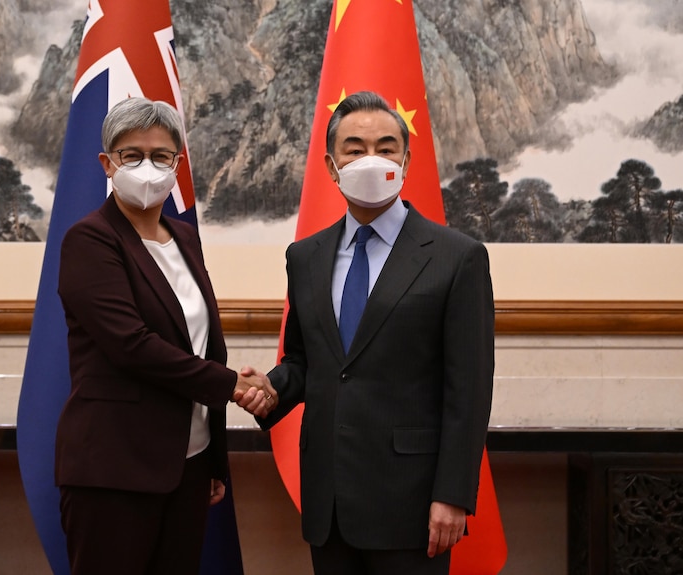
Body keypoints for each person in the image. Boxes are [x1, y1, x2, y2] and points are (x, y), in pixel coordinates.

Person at [245, 90, 494, 575]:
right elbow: (306, 360)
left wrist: (453, 495)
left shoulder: (457, 257)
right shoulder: (306, 256)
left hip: (414, 505)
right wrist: (269, 389)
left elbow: (469, 390)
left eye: (385, 147)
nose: (370, 159)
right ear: (331, 164)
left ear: (406, 158)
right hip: (330, 503)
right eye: (354, 149)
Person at [55, 97, 276, 575]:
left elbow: (200, 343)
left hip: (188, 464)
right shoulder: (89, 240)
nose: (147, 167)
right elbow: (130, 346)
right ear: (107, 163)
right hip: (115, 469)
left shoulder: (184, 238)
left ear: (178, 164)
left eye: (161, 156)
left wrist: (212, 458)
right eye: (132, 155)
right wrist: (233, 385)